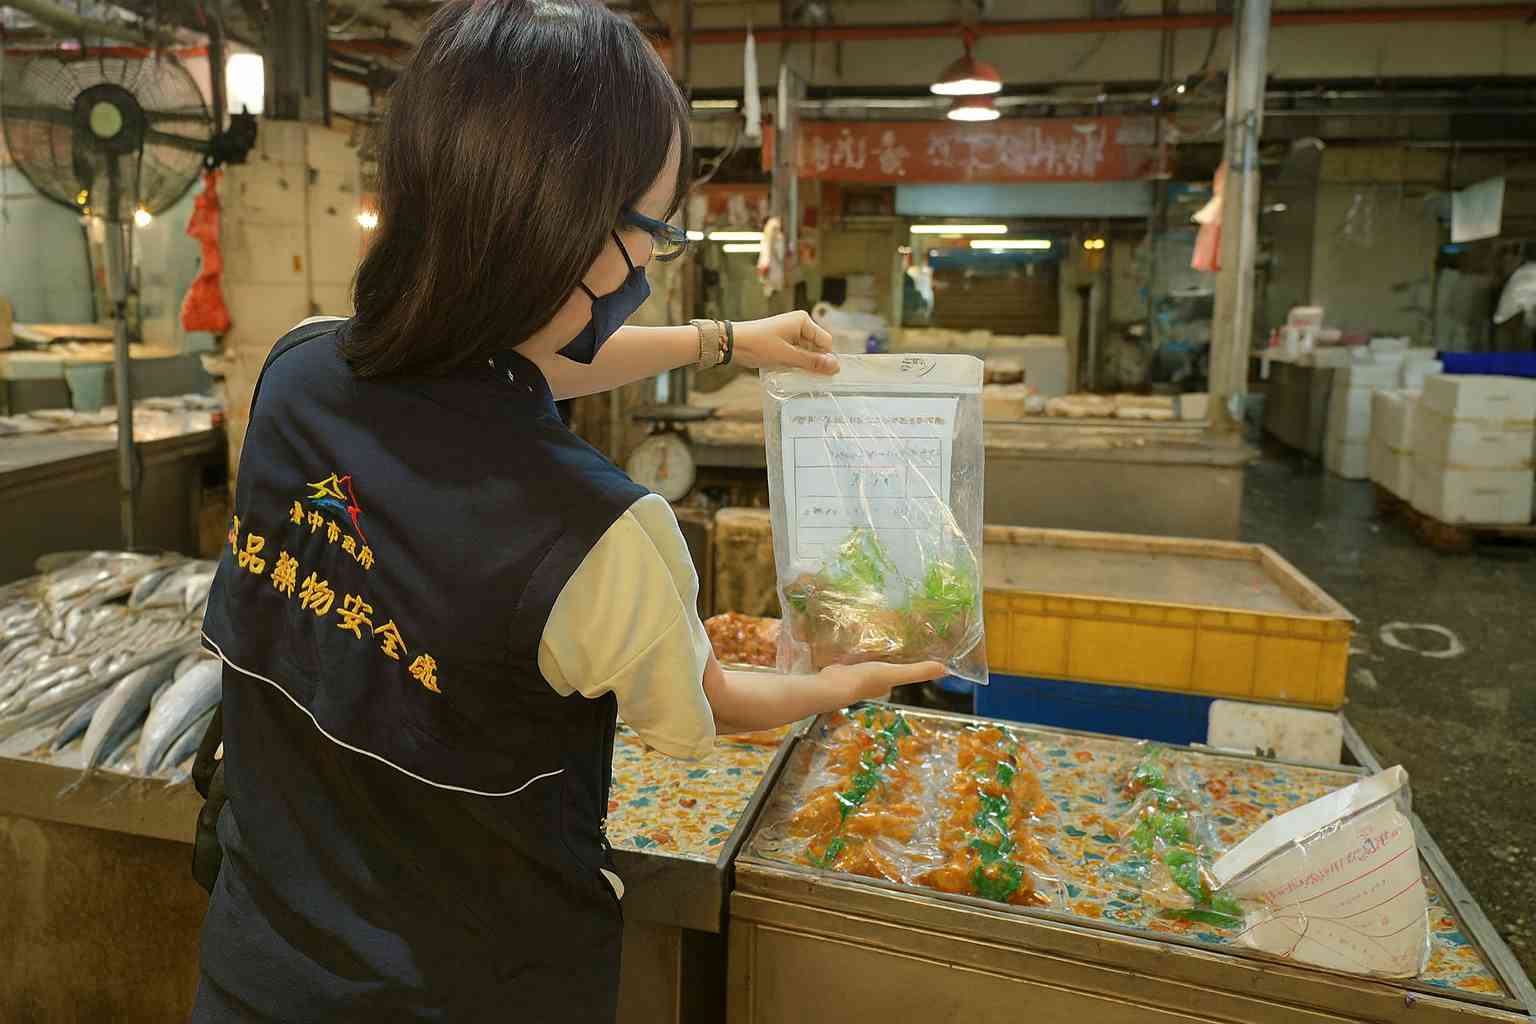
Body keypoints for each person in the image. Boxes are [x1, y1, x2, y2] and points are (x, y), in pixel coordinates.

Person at [191, 1, 944, 1020]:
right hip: (466, 991)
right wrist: (843, 679)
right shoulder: (593, 535)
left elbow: (516, 351)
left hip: (257, 966)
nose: (648, 261)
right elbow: (714, 701)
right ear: (572, 235)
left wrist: (725, 340)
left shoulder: (299, 366)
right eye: (652, 232)